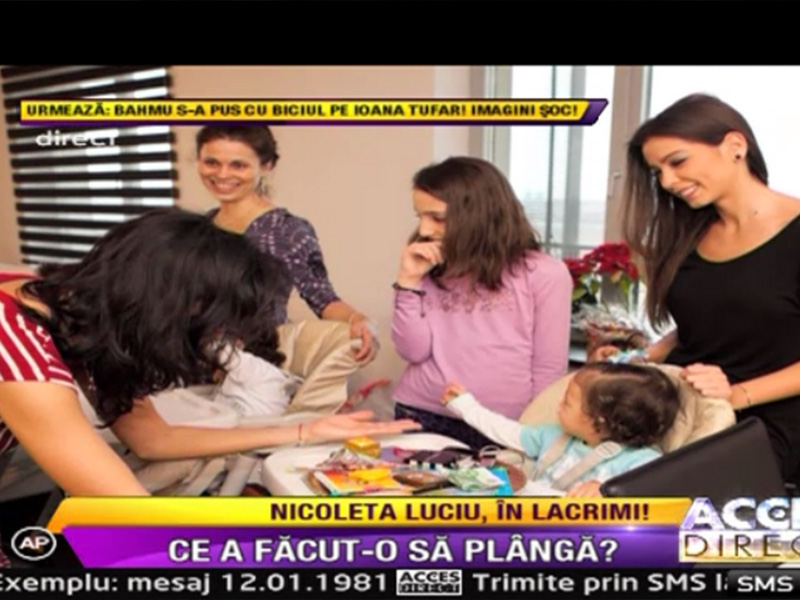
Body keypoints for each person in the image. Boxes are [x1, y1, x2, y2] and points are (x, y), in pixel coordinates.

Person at [0, 209, 418, 498]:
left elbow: (153, 438)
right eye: (210, 327)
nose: (213, 341)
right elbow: (127, 508)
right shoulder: (17, 343)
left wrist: (304, 431)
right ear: (163, 309)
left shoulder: (83, 317)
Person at [592, 93, 800, 483]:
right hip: (682, 409)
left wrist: (736, 395)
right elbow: (713, 320)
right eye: (658, 172)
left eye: (678, 162)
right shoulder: (689, 234)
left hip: (763, 425)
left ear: (735, 146)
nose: (667, 182)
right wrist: (641, 358)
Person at [391, 157, 573, 449]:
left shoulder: (545, 274)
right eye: (420, 216)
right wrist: (408, 281)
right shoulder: (430, 265)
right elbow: (413, 351)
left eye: (437, 218)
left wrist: (533, 433)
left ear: (478, 214)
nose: (424, 230)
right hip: (422, 413)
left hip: (504, 426)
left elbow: (549, 368)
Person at [195, 125, 376, 362]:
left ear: (266, 166)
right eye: (212, 162)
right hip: (196, 362)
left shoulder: (285, 230)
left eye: (238, 165)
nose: (222, 174)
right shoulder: (199, 227)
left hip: (255, 366)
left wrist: (358, 320)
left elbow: (322, 297)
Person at [441, 362, 681, 496]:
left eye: (567, 403)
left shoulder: (641, 465)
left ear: (599, 421)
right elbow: (506, 431)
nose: (558, 406)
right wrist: (466, 406)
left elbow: (654, 503)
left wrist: (607, 493)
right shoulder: (554, 436)